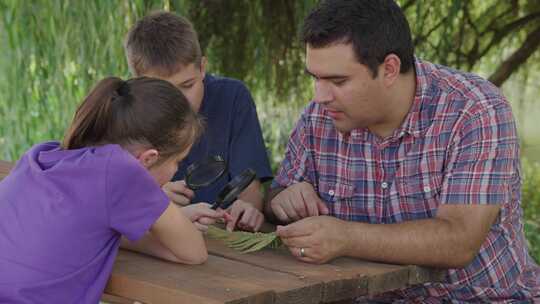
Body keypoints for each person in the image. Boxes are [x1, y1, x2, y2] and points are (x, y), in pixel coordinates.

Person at [266, 0, 540, 302]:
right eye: (315, 78)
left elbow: (459, 241)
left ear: (390, 69)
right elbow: (277, 194)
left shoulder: (474, 110)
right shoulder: (318, 118)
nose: (320, 96)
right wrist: (282, 198)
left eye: (337, 81)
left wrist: (345, 237)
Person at [0, 77, 225, 303]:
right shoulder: (121, 170)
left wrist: (157, 223)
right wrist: (167, 227)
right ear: (148, 158)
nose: (176, 171)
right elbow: (194, 252)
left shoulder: (41, 156)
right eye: (178, 161)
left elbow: (89, 228)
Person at [124, 11, 273, 232]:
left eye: (188, 85)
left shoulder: (232, 98)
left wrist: (247, 210)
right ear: (138, 84)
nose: (180, 103)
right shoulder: (124, 112)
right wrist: (153, 202)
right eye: (165, 92)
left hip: (224, 241)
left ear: (202, 67)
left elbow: (250, 192)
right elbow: (111, 205)